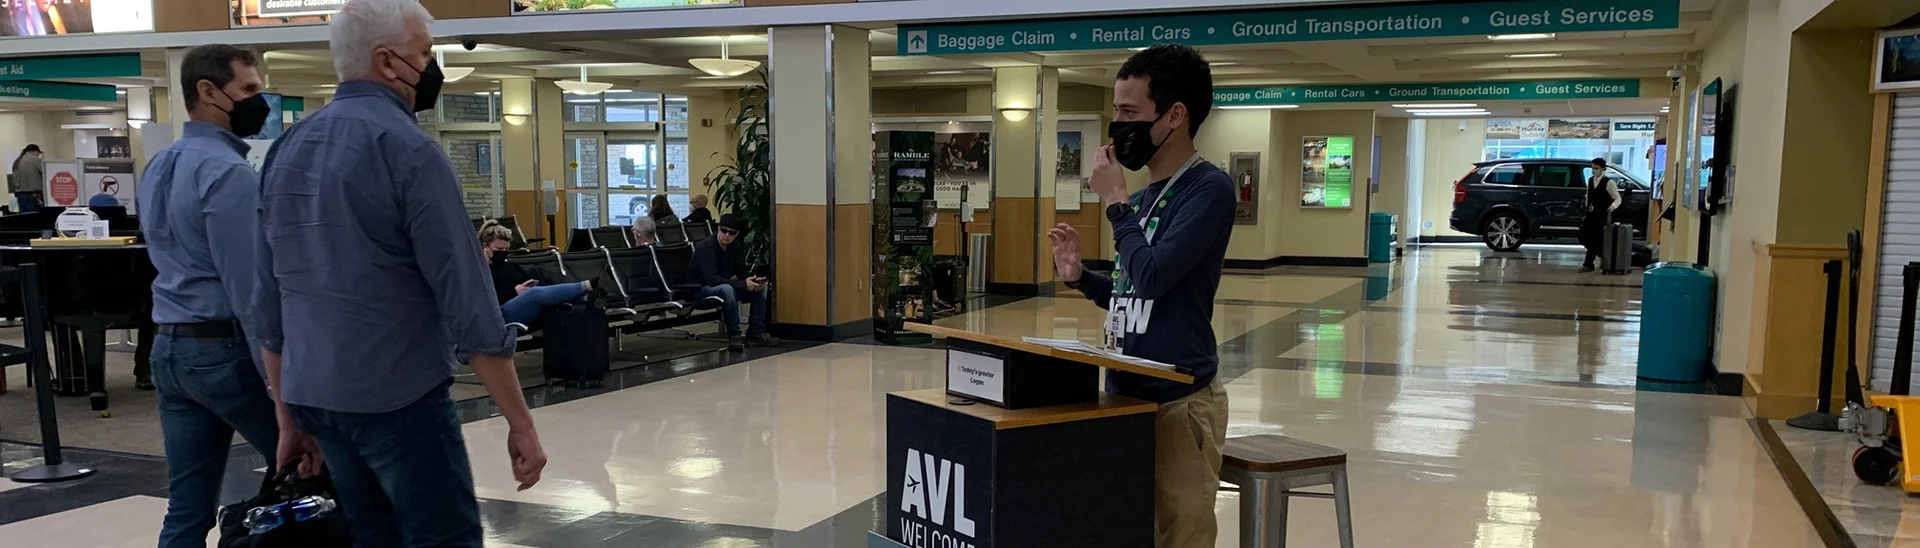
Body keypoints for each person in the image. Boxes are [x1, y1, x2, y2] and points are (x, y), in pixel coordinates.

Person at [252, 1, 546, 545]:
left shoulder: (287, 149)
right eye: (426, 54)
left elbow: (268, 301)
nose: (432, 68)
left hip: (318, 395)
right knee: (444, 537)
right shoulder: (410, 152)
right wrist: (521, 422)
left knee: (371, 534)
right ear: (388, 62)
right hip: (398, 397)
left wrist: (287, 415)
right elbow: (469, 302)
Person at [1045, 44, 1233, 548]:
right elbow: (1135, 292)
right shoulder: (1147, 197)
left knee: (1181, 535)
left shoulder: (1208, 190)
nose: (1118, 127)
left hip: (1179, 398)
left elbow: (1151, 275)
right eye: (1116, 113)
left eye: (1130, 113)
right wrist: (1081, 276)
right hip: (1126, 395)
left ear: (1175, 115)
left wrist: (1114, 201)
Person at [138, 44, 280, 548]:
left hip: (171, 350)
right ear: (207, 91)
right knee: (311, 471)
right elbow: (250, 291)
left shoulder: (158, 166)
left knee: (187, 508)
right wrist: (279, 390)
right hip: (224, 353)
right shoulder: (230, 174)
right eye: (248, 90)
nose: (258, 103)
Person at [481, 220, 590, 328]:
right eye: (499, 249)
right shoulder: (480, 273)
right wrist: (515, 292)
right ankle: (586, 286)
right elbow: (485, 302)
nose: (504, 252)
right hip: (500, 314)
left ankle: (586, 296)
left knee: (541, 276)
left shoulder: (508, 265)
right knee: (535, 293)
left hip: (523, 305)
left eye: (506, 249)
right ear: (485, 246)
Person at [691, 213, 774, 351]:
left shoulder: (735, 247)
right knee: (727, 289)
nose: (727, 235)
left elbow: (741, 271)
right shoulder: (706, 247)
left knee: (761, 288)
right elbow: (712, 279)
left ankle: (755, 333)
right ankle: (734, 335)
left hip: (723, 285)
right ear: (718, 229)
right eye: (724, 230)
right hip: (701, 290)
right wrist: (743, 284)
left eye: (731, 233)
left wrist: (752, 280)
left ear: (736, 234)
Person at [1579, 157, 1623, 273]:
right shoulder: (1590, 180)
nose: (1594, 170)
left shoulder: (1609, 182)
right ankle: (1602, 255)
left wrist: (1612, 207)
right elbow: (1589, 196)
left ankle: (1588, 264)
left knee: (1594, 238)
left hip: (1601, 215)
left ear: (1603, 169)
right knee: (1584, 237)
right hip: (1590, 214)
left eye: (1597, 168)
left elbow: (1617, 198)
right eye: (1593, 168)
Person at [11, 144, 42, 211]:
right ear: (35, 152)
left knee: (25, 219)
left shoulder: (17, 161)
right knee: (34, 219)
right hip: (32, 196)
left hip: (20, 196)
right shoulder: (35, 159)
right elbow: (46, 173)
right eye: (39, 154)